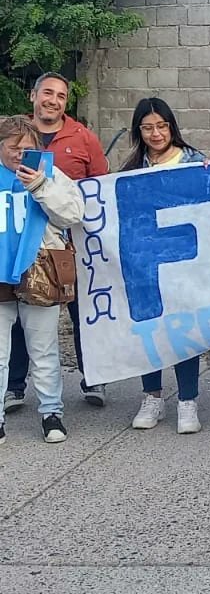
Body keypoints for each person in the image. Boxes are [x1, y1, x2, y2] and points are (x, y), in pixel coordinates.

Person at [4, 73, 109, 414]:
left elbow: (97, 188)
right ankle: (14, 387)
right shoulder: (14, 133)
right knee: (15, 329)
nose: (53, 99)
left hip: (62, 250)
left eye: (61, 95)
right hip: (9, 256)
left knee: (72, 319)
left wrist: (44, 187)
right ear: (33, 95)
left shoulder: (82, 137)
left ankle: (89, 381)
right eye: (47, 92)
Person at [122, 98, 207, 434]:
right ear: (138, 131)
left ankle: (188, 401)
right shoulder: (131, 170)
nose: (156, 133)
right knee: (150, 330)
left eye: (161, 126)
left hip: (185, 259)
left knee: (185, 330)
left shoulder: (194, 161)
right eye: (147, 127)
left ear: (171, 127)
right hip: (147, 264)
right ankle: (152, 396)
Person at [0, 116, 84, 444]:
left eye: (28, 148)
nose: (20, 154)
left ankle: (52, 412)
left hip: (40, 268)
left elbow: (72, 213)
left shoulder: (51, 174)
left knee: (43, 348)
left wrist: (39, 186)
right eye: (13, 147)